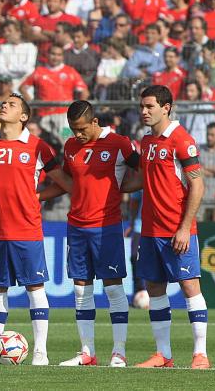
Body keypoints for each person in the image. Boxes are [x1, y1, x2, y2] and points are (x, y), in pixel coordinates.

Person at [0, 93, 70, 366]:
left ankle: (40, 351)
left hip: (26, 230)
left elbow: (65, 182)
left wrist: (38, 197)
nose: (4, 106)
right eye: (4, 103)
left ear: (24, 116)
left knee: (35, 288)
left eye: (12, 104)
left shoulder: (38, 147)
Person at [42, 101, 138, 367]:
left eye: (82, 129)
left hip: (106, 226)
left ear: (95, 122)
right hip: (76, 226)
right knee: (81, 290)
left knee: (114, 289)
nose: (78, 135)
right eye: (74, 130)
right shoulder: (71, 146)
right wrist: (35, 196)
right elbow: (69, 183)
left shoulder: (119, 143)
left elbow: (146, 173)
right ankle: (87, 352)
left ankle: (119, 351)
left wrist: (121, 188)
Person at [121, 85, 210, 369]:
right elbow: (146, 180)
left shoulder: (181, 140)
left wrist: (185, 228)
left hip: (176, 230)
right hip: (149, 231)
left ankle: (200, 354)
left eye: (149, 107)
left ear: (166, 107)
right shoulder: (146, 142)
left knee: (189, 287)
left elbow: (197, 185)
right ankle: (163, 354)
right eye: (142, 107)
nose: (144, 112)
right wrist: (112, 187)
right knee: (155, 289)